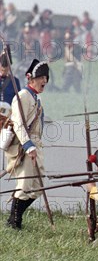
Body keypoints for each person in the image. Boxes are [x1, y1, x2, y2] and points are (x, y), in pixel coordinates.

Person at [5, 59, 48, 229]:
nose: (44, 81)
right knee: (24, 185)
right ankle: (14, 222)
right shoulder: (22, 96)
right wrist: (28, 146)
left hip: (35, 145)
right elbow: (18, 124)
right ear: (31, 79)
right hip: (25, 146)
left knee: (38, 186)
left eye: (45, 77)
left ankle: (14, 219)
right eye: (41, 77)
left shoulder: (35, 98)